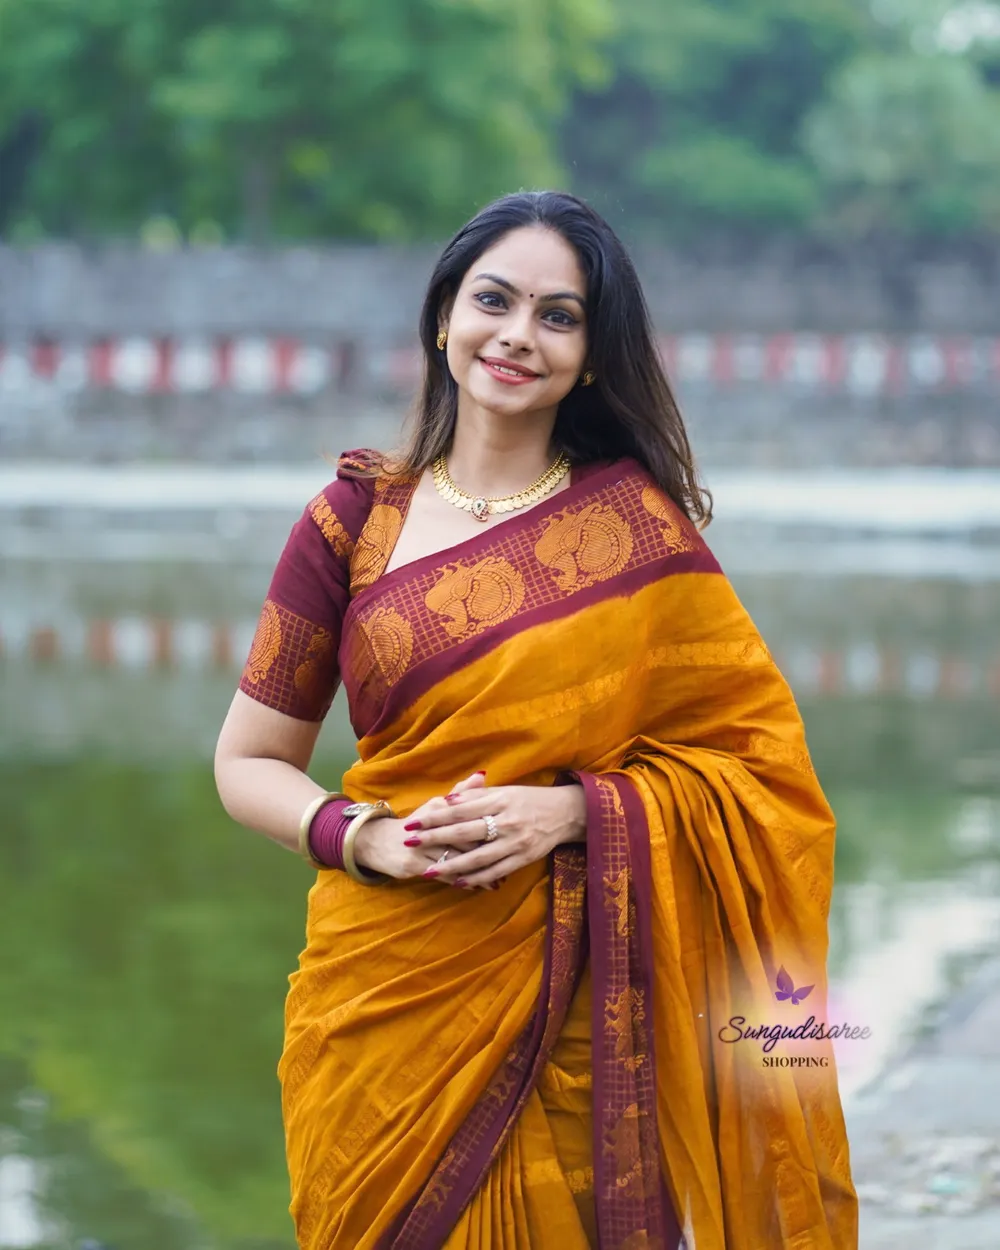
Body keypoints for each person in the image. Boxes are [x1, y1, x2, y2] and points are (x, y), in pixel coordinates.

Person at [214, 190, 857, 1249]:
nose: (517, 336)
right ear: (442, 316)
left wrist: (572, 813)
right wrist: (360, 835)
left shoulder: (637, 533)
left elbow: (759, 772)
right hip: (381, 990)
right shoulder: (347, 524)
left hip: (572, 1001)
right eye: (494, 300)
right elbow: (248, 759)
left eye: (558, 316)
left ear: (592, 355)